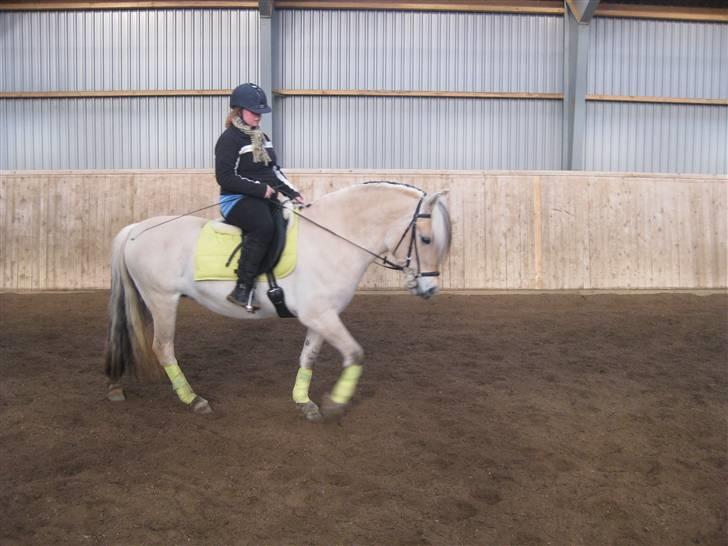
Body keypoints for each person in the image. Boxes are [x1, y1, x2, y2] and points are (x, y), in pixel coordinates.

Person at [214, 83, 304, 311]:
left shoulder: (262, 138)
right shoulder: (229, 140)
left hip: (261, 197)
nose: (258, 117)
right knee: (263, 226)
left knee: (286, 220)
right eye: (255, 112)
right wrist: (260, 189)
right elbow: (225, 178)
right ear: (238, 110)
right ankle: (243, 288)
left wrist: (293, 193)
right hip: (234, 200)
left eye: (260, 113)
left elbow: (272, 172)